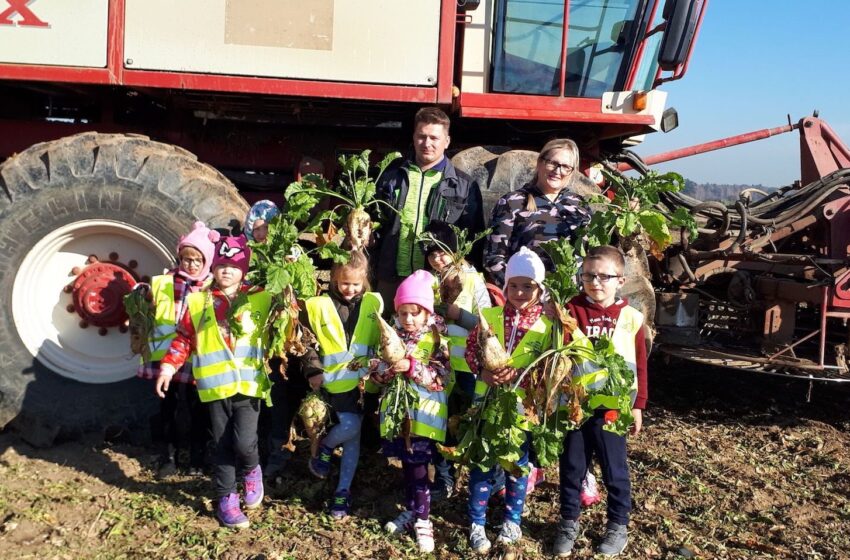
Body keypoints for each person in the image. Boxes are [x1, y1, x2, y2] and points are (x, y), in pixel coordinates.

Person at [156, 235, 273, 529]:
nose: (226, 272)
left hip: (249, 386)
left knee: (245, 443)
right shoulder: (198, 302)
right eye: (221, 265)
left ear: (244, 270)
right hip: (214, 387)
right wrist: (169, 367)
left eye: (234, 266)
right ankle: (226, 499)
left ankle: (250, 470)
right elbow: (184, 338)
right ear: (213, 268)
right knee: (221, 444)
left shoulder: (261, 297)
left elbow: (289, 316)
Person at [553, 245, 648, 557]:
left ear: (620, 280)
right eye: (588, 276)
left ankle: (617, 525)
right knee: (571, 467)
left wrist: (638, 405)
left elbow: (640, 363)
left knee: (614, 469)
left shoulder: (632, 317)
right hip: (576, 405)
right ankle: (568, 522)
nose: (595, 282)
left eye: (604, 277)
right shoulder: (571, 310)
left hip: (613, 408)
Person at [463, 247, 553, 553]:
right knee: (482, 462)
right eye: (513, 285)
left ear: (539, 289)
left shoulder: (547, 324)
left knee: (518, 465)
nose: (518, 292)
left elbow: (550, 365)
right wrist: (483, 374)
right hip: (487, 403)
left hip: (522, 407)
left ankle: (511, 520)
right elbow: (471, 350)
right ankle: (476, 521)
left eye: (527, 286)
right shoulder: (489, 316)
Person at [369, 270, 450, 554]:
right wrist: (383, 370)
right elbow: (378, 371)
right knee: (406, 465)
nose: (409, 319)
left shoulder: (437, 339)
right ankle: (413, 511)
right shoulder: (391, 336)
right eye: (403, 313)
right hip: (398, 415)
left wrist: (412, 367)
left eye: (415, 313)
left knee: (418, 468)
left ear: (427, 313)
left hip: (424, 416)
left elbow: (441, 376)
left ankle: (424, 520)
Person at [374, 106, 485, 310]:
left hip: (437, 279)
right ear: (413, 137)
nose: (427, 144)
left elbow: (474, 237)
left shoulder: (464, 185)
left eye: (434, 138)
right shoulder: (391, 175)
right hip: (391, 274)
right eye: (421, 136)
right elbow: (375, 222)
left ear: (447, 141)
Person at [302, 251, 382, 519]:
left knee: (354, 439)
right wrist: (313, 369)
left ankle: (342, 491)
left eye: (355, 284)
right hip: (335, 383)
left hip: (365, 384)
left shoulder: (374, 303)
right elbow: (306, 340)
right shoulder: (319, 305)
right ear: (334, 279)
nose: (349, 289)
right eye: (344, 283)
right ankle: (324, 447)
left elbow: (382, 338)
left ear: (364, 282)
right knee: (351, 426)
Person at [137, 221, 217, 478]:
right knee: (167, 408)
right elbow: (149, 306)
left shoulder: (212, 287)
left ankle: (197, 456)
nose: (191, 264)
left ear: (207, 260)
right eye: (186, 258)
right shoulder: (165, 281)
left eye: (197, 260)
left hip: (196, 357)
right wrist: (140, 297)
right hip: (166, 358)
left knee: (198, 408)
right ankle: (167, 458)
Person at [419, 220, 490, 500]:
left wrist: (458, 314)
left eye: (442, 251)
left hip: (467, 366)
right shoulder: (427, 281)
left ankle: (476, 478)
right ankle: (444, 478)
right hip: (437, 366)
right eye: (431, 253)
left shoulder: (472, 279)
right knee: (441, 421)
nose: (437, 258)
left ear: (456, 250)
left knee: (469, 421)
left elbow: (487, 323)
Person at [484, 138, 592, 287]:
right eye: (553, 163)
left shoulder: (580, 206)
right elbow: (493, 258)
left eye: (566, 166)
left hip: (571, 298)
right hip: (527, 300)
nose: (557, 171)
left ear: (572, 172)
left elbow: (595, 255)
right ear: (540, 162)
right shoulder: (513, 202)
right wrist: (522, 291)